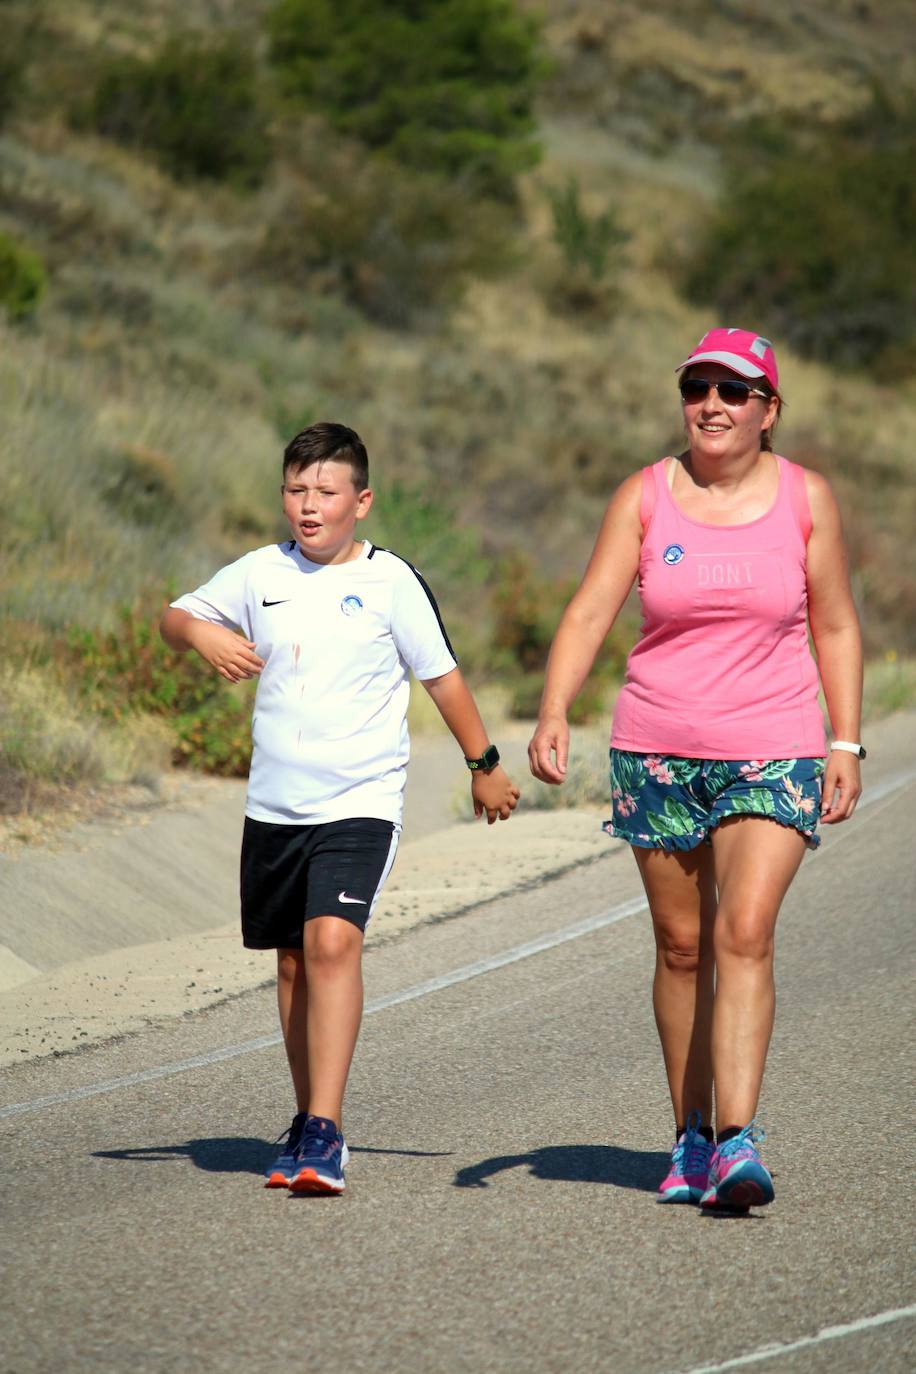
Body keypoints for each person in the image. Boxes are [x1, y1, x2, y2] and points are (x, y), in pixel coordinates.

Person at [528, 328, 863, 1210]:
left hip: (775, 745)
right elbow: (592, 609)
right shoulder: (644, 496)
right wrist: (555, 710)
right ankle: (690, 1136)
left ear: (769, 410)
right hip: (658, 749)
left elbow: (834, 625)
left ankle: (739, 1142)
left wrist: (845, 741)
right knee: (682, 949)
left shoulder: (806, 500)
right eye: (698, 388)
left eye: (735, 391)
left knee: (742, 930)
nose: (713, 404)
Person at [161, 422, 519, 1195]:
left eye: (325, 492)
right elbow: (172, 616)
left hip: (360, 802)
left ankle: (324, 1130)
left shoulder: (392, 582)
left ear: (362, 501)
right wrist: (199, 634)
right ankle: (304, 1118)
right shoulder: (260, 573)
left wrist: (483, 765)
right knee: (291, 964)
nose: (308, 506)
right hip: (274, 809)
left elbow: (444, 680)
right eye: (296, 490)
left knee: (330, 946)